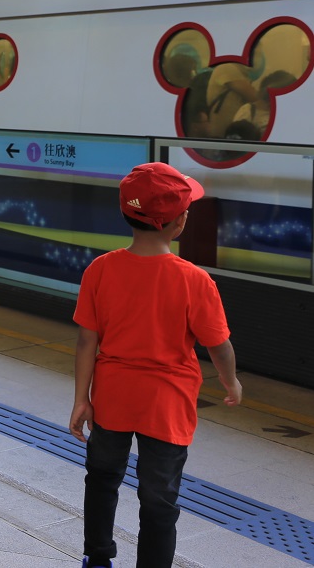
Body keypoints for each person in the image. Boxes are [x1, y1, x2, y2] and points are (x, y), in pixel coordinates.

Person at [70, 162, 242, 568]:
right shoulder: (194, 280)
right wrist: (230, 381)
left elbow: (86, 341)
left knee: (102, 478)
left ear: (125, 213)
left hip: (112, 399)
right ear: (179, 222)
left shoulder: (101, 269)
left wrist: (81, 398)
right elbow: (219, 346)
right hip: (167, 407)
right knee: (159, 498)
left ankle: (98, 557)